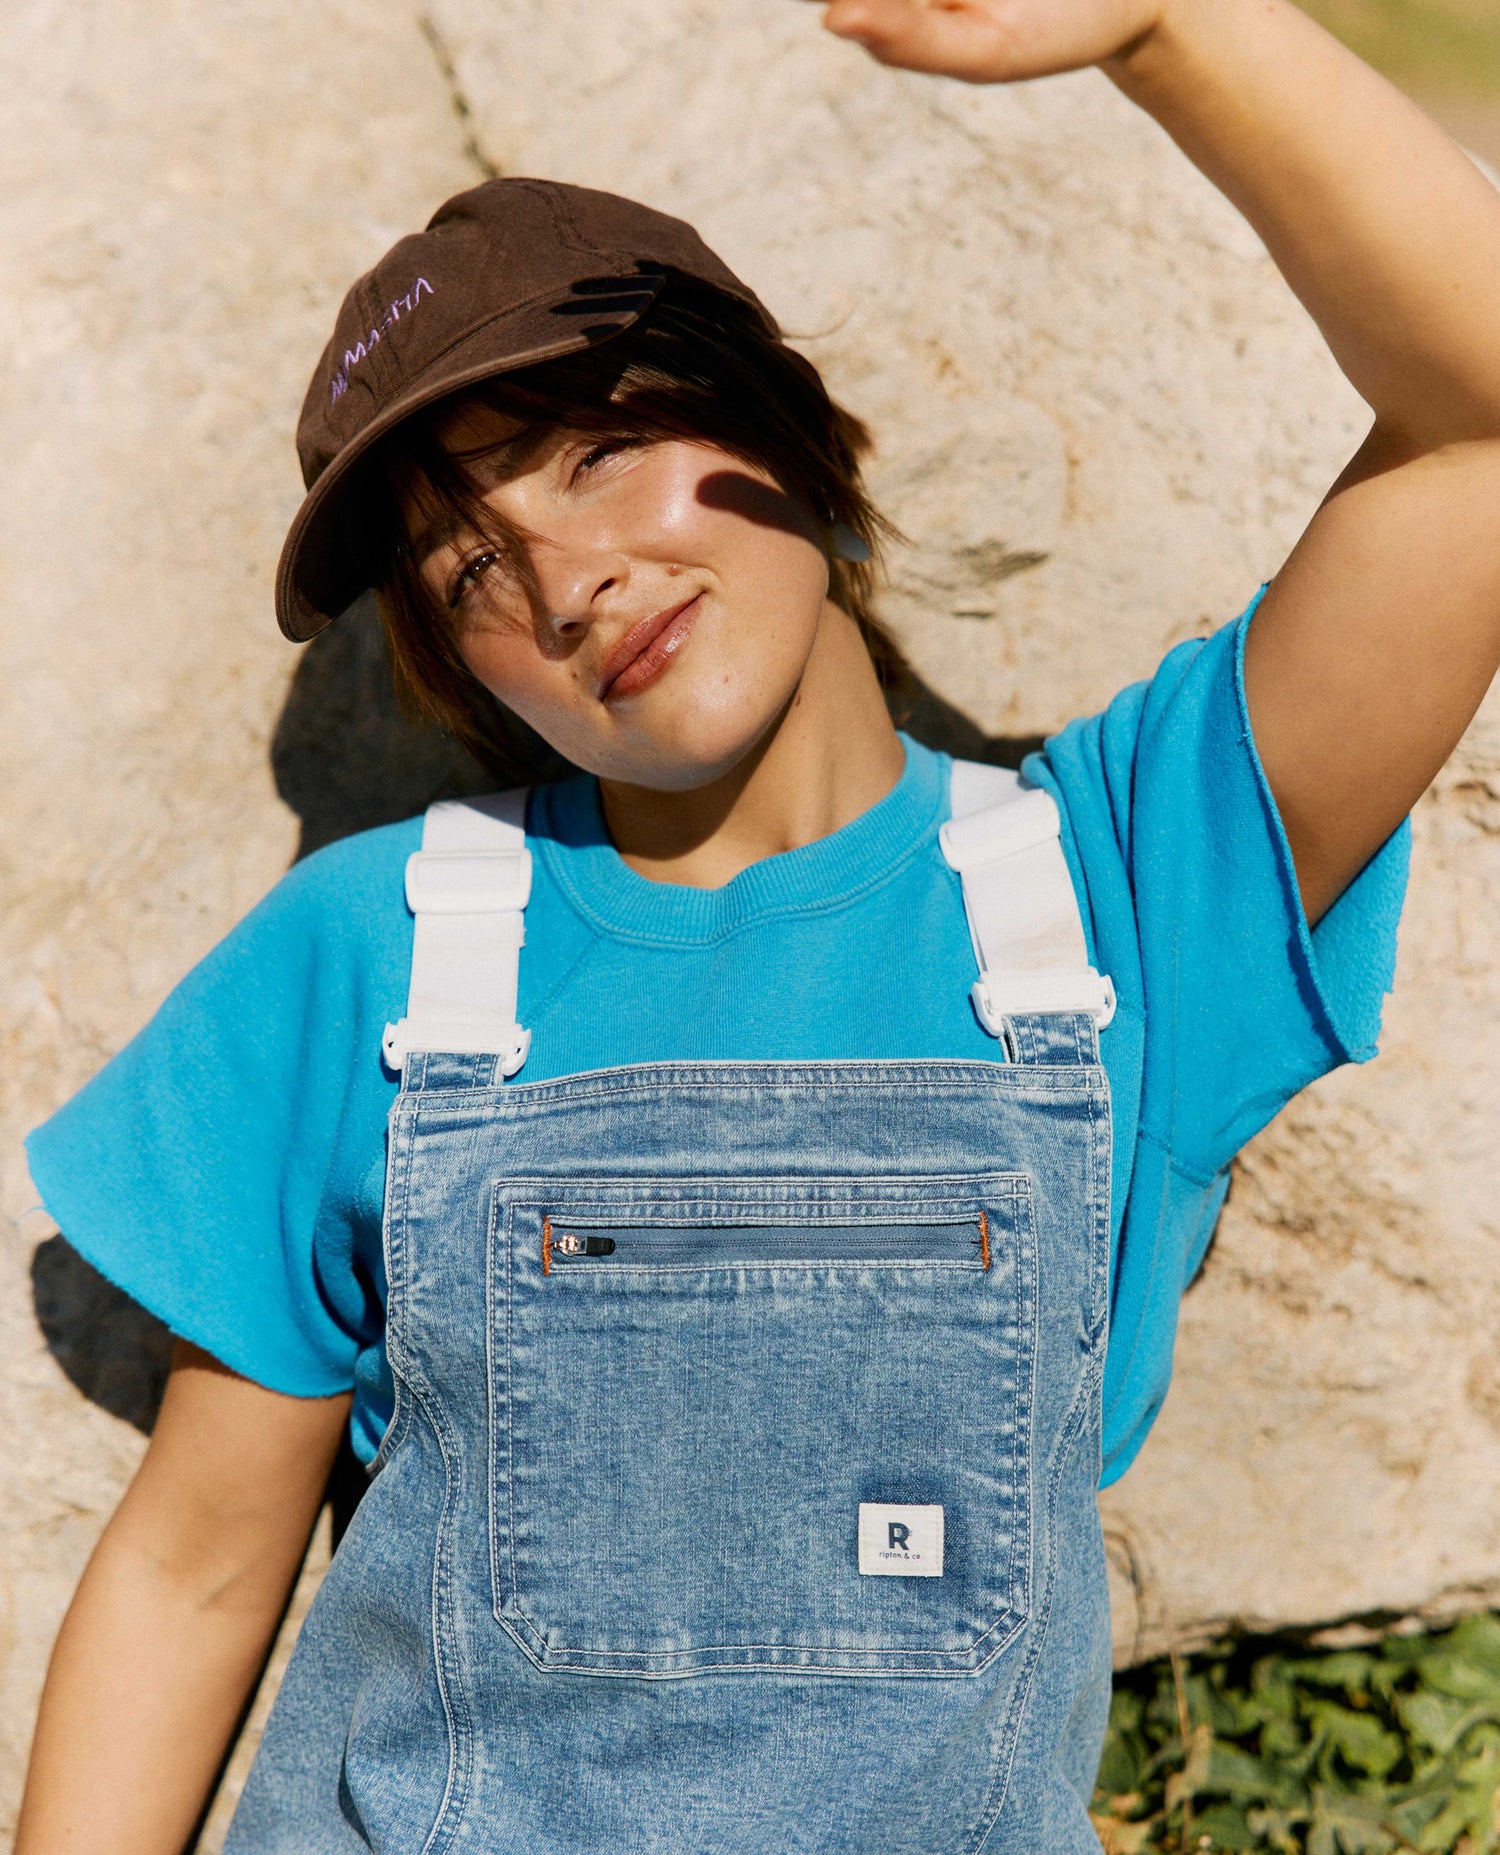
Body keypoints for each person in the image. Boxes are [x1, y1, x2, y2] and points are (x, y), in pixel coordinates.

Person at [16, 0, 1500, 1846]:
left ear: (779, 417)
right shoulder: (384, 950)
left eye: (591, 451)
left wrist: (1169, 27)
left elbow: (1479, 423)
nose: (571, 580)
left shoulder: (1117, 892)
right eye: (470, 568)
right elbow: (193, 1572)